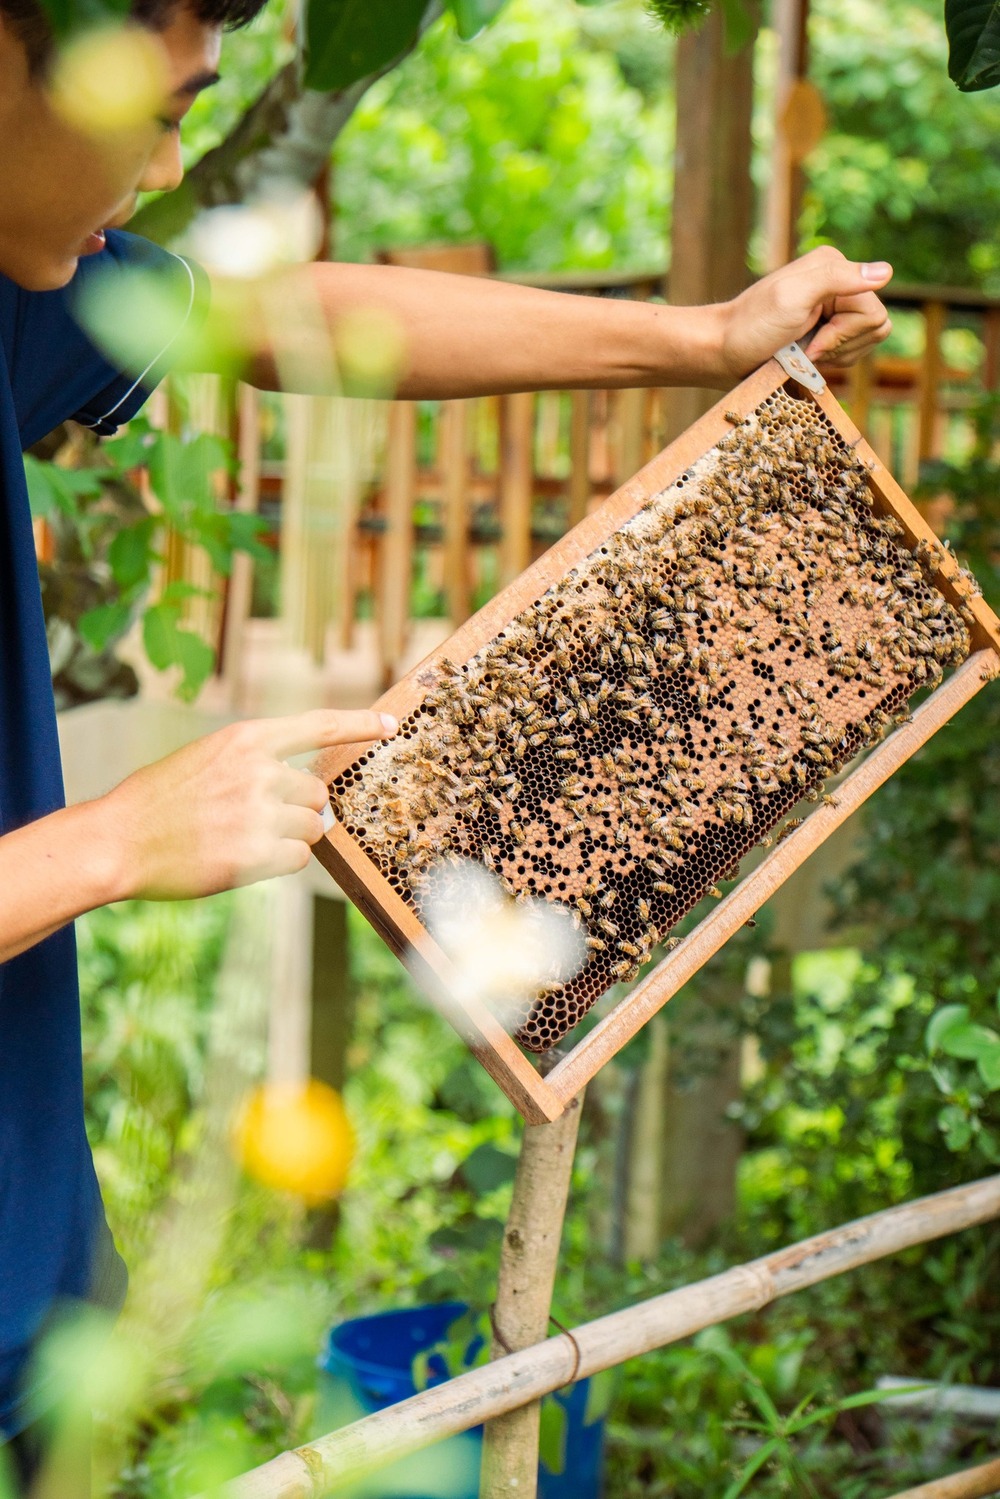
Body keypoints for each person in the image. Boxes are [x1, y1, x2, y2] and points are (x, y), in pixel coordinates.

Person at [0, 0, 893, 1484]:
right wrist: (104, 846)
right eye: (154, 111)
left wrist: (702, 337)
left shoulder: (23, 289)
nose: (164, 170)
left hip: (38, 1302)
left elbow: (286, 319)